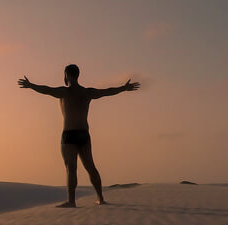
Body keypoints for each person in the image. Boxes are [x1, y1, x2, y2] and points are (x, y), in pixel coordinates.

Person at [18, 64, 139, 207]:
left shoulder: (64, 92)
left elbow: (46, 90)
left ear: (66, 75)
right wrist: (123, 88)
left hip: (69, 134)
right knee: (90, 167)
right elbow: (107, 92)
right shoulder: (87, 92)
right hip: (83, 133)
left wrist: (31, 85)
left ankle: (71, 201)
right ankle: (100, 198)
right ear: (77, 75)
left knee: (71, 168)